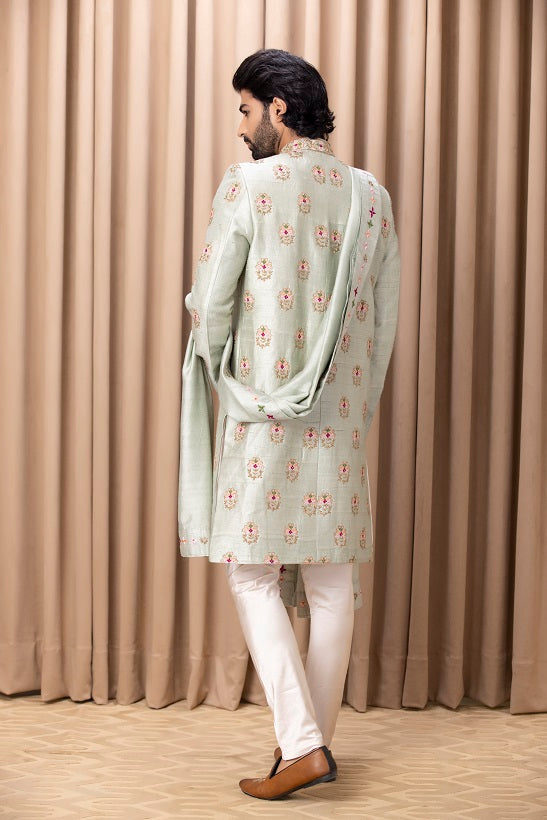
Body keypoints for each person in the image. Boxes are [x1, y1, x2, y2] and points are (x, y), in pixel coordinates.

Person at [178, 48, 400, 800]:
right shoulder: (371, 196)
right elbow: (383, 322)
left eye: (245, 110)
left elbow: (212, 300)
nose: (240, 128)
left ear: (278, 107)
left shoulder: (250, 184)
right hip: (340, 419)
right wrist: (354, 406)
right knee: (334, 585)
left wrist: (213, 357)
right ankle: (307, 747)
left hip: (261, 406)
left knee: (252, 572)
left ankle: (302, 745)